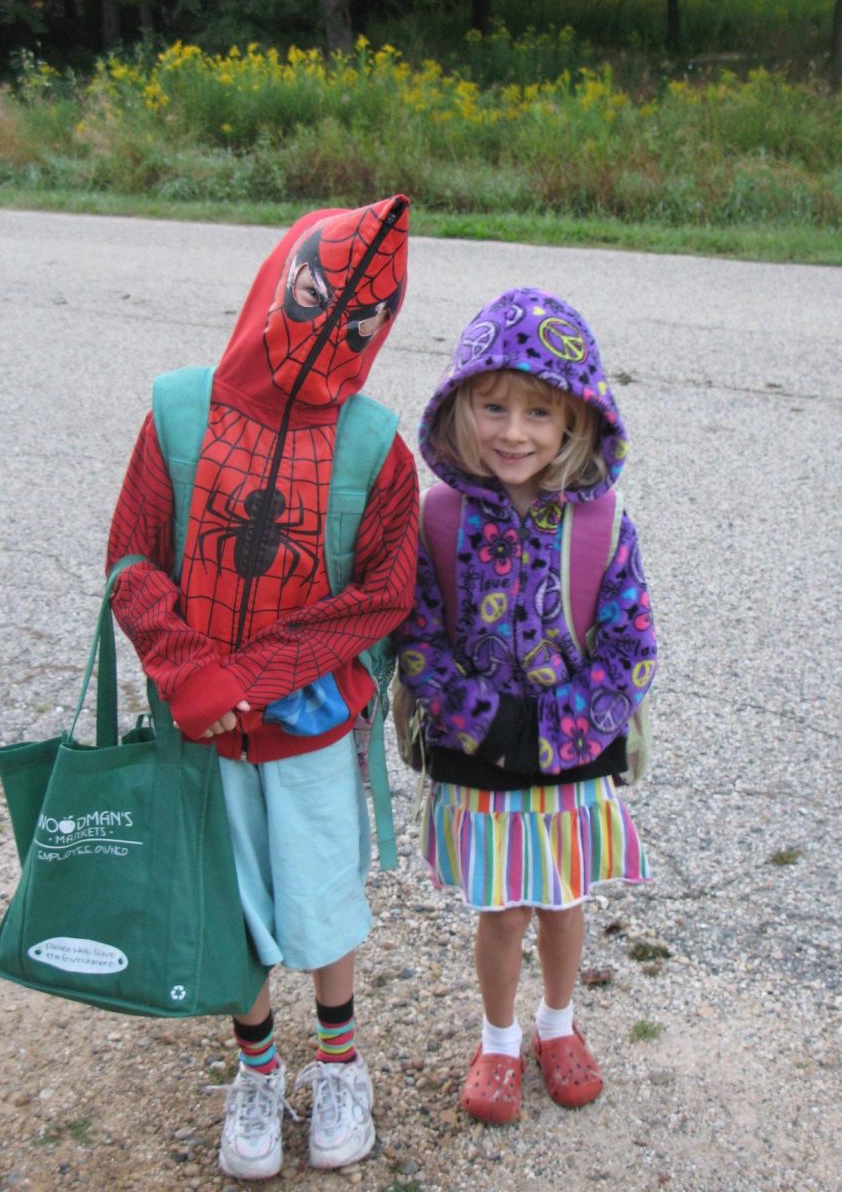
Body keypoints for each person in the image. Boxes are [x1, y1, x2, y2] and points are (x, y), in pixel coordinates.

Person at [106, 195, 418, 1178]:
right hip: (199, 731)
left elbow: (384, 592)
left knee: (323, 898)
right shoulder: (177, 412)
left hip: (312, 734)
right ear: (281, 277)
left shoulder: (377, 448)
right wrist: (191, 668)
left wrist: (258, 673)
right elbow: (130, 559)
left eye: (355, 323)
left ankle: (340, 1063)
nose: (325, 336)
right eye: (316, 299)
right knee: (225, 902)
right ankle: (254, 1068)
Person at [397, 286, 657, 1124]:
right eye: (494, 406)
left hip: (573, 756)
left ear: (577, 422)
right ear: (460, 406)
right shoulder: (436, 518)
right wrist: (490, 725)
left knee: (564, 899)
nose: (513, 431)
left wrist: (560, 728)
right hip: (483, 756)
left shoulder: (603, 524)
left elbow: (631, 648)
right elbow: (418, 642)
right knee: (502, 908)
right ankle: (500, 1038)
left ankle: (559, 1024)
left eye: (539, 413)